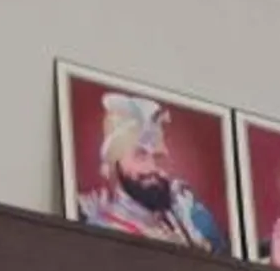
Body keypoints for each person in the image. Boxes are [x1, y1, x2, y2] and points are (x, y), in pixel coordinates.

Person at [74, 93, 225, 248]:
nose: (152, 167)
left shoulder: (186, 210)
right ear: (115, 161)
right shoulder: (104, 228)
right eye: (140, 155)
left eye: (159, 157)